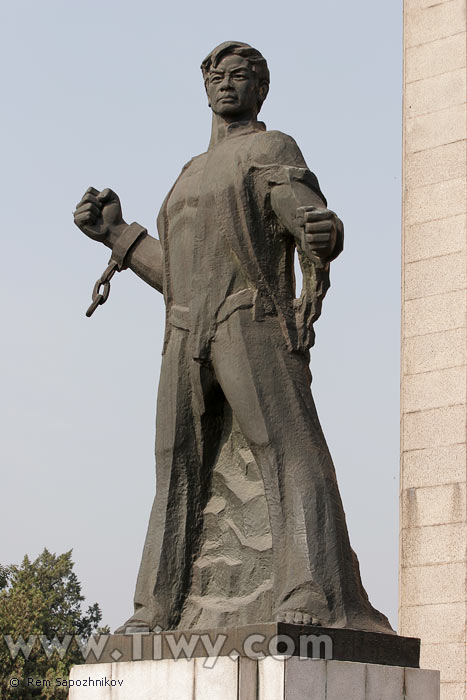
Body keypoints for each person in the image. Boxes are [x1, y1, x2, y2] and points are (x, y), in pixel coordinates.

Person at [74, 41, 392, 634]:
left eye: (240, 75)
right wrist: (118, 234)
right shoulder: (188, 173)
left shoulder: (271, 148)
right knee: (174, 464)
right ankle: (156, 609)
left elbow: (300, 206)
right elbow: (177, 275)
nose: (226, 84)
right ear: (205, 87)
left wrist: (321, 230)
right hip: (183, 328)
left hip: (246, 318)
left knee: (287, 446)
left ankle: (311, 592)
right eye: (217, 76)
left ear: (260, 88)